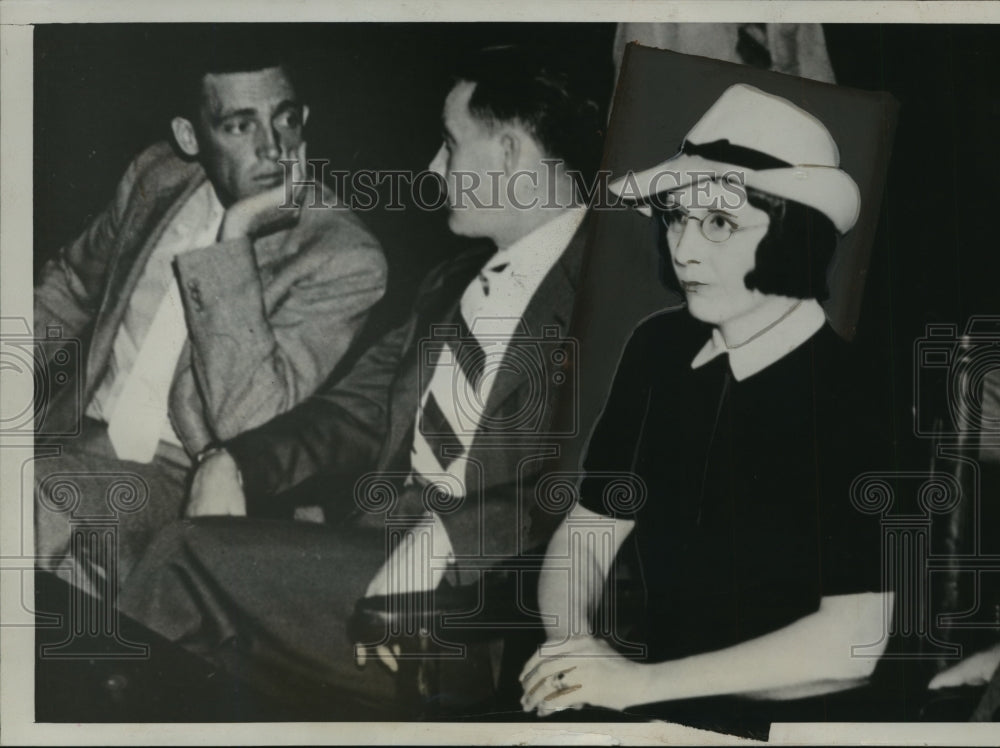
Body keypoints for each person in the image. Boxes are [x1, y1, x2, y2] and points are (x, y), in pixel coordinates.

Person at [117, 47, 605, 716]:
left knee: (182, 564)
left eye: (450, 144)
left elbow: (589, 479)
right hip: (371, 549)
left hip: (481, 603)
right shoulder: (451, 283)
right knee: (193, 642)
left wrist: (441, 547)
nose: (435, 170)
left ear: (511, 152)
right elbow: (357, 412)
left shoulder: (613, 293)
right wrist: (240, 462)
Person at [520, 84, 895, 737]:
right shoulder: (659, 348)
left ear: (794, 236)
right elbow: (586, 534)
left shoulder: (859, 391)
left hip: (806, 724)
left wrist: (637, 684)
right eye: (675, 218)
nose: (683, 249)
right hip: (656, 708)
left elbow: (855, 645)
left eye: (719, 223)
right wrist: (573, 651)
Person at [33, 43, 387, 586]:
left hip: (182, 479)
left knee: (35, 502)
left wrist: (235, 236)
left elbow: (247, 419)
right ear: (190, 136)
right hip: (70, 433)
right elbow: (73, 284)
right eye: (240, 126)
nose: (273, 148)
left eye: (285, 119)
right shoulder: (158, 176)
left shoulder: (342, 255)